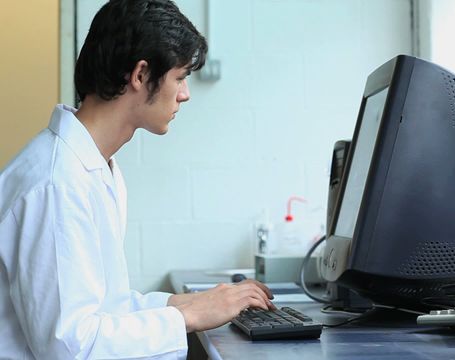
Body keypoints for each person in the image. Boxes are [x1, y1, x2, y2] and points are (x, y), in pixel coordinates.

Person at [0, 0, 275, 358]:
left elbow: (105, 309)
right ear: (141, 75)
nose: (185, 94)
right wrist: (186, 316)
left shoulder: (93, 166)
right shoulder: (57, 184)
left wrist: (190, 303)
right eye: (179, 77)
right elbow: (70, 346)